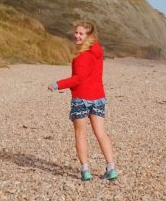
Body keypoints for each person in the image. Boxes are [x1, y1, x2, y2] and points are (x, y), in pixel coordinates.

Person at [48, 21, 118, 181]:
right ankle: (111, 168)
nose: (77, 36)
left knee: (80, 133)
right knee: (101, 132)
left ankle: (85, 170)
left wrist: (57, 84)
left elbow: (78, 79)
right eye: (76, 32)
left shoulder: (82, 56)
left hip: (81, 99)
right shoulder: (97, 52)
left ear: (89, 36)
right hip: (98, 98)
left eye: (81, 34)